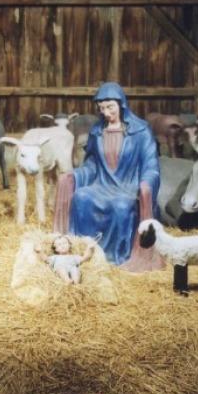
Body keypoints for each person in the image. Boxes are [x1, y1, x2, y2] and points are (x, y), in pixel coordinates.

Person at [53, 82, 164, 272]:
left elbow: (151, 165)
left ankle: (115, 256)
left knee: (121, 206)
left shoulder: (141, 130)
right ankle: (82, 250)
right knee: (82, 196)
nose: (106, 112)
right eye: (102, 108)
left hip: (128, 187)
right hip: (101, 185)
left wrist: (146, 184)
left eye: (110, 107)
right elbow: (91, 165)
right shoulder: (97, 131)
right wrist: (72, 176)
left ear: (121, 105)